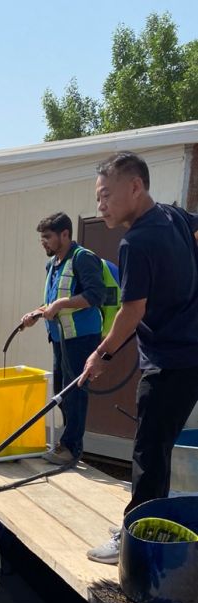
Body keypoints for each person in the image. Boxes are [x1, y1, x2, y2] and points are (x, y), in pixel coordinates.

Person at [81, 151, 198, 564]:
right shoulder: (175, 217)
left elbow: (132, 312)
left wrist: (100, 355)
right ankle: (153, 534)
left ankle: (135, 540)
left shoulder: (136, 241)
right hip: (191, 354)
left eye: (106, 195)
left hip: (169, 362)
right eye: (98, 197)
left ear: (135, 187)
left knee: (149, 453)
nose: (101, 205)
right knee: (159, 448)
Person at [21, 212, 106, 465]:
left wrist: (59, 304)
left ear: (65, 235)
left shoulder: (83, 259)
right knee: (61, 392)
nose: (43, 242)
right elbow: (52, 302)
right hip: (61, 339)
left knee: (75, 394)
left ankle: (71, 447)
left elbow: (95, 295)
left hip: (82, 339)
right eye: (42, 238)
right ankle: (68, 444)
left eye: (47, 237)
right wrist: (37, 313)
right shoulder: (54, 264)